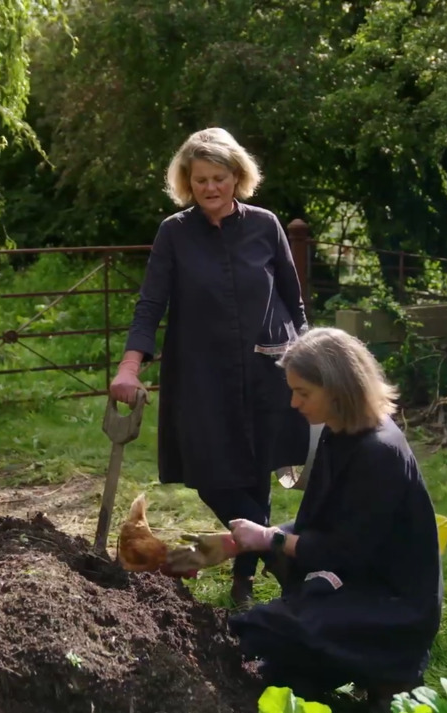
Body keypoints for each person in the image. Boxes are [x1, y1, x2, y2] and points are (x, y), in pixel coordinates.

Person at [167, 327, 444, 713]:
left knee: (257, 628)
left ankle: (391, 670)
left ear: (338, 388)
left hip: (391, 606)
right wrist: (234, 544)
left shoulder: (378, 452)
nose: (294, 403)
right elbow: (318, 522)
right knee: (266, 666)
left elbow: (340, 550)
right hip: (350, 581)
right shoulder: (338, 433)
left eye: (303, 393)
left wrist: (266, 538)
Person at [110, 127, 311, 609]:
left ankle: (244, 583)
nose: (210, 188)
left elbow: (293, 301)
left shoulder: (266, 225)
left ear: (237, 177)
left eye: (219, 177)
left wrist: (309, 361)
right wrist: (129, 365)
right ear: (187, 182)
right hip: (201, 378)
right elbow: (150, 304)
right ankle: (280, 559)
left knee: (254, 477)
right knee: (212, 475)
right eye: (200, 180)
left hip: (267, 371)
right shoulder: (174, 234)